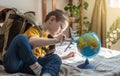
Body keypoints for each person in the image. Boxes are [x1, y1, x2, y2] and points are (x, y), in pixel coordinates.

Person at [3, 9, 75, 76]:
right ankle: (36, 68)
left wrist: (65, 57)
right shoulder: (35, 30)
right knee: (20, 38)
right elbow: (32, 42)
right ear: (52, 19)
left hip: (28, 67)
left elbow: (45, 58)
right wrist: (56, 40)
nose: (61, 32)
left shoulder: (48, 40)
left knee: (56, 58)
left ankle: (47, 74)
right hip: (15, 63)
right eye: (61, 27)